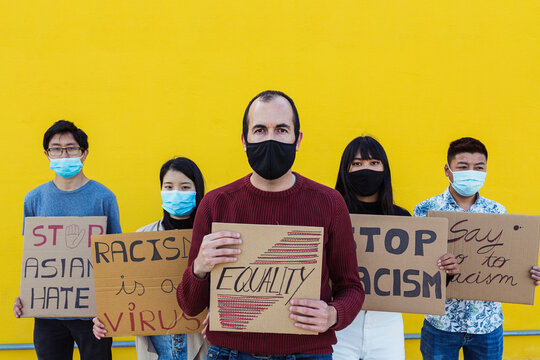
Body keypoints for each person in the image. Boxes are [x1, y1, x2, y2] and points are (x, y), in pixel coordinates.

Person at [177, 90, 365, 359]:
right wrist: (200, 267)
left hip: (308, 352)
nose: (270, 139)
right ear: (245, 140)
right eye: (260, 130)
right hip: (230, 353)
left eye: (281, 130)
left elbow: (351, 288)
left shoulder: (329, 203)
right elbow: (189, 305)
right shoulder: (215, 204)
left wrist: (333, 314)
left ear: (297, 139)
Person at [332, 136, 458, 360]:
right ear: (345, 170)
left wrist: (444, 272)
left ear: (384, 169)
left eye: (373, 163)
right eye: (357, 163)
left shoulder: (401, 218)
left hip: (386, 323)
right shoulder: (330, 214)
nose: (366, 169)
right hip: (339, 319)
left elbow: (418, 277)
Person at [414, 137, 540, 360]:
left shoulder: (497, 211)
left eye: (478, 167)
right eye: (463, 167)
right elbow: (414, 262)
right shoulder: (426, 209)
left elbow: (508, 259)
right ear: (447, 169)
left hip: (487, 324)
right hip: (441, 324)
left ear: (486, 171)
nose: (471, 172)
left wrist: (527, 274)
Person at [13, 120, 121, 360]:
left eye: (71, 148)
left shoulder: (104, 197)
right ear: (47, 154)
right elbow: (34, 258)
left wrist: (111, 308)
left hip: (93, 317)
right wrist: (26, 296)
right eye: (56, 148)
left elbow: (114, 257)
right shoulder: (34, 199)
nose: (63, 154)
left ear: (84, 153)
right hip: (47, 315)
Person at [92, 157, 209, 360]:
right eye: (169, 186)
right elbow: (125, 290)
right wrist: (105, 317)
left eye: (184, 187)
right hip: (158, 343)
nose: (175, 193)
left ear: (197, 190)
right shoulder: (142, 239)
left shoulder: (210, 237)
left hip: (200, 340)